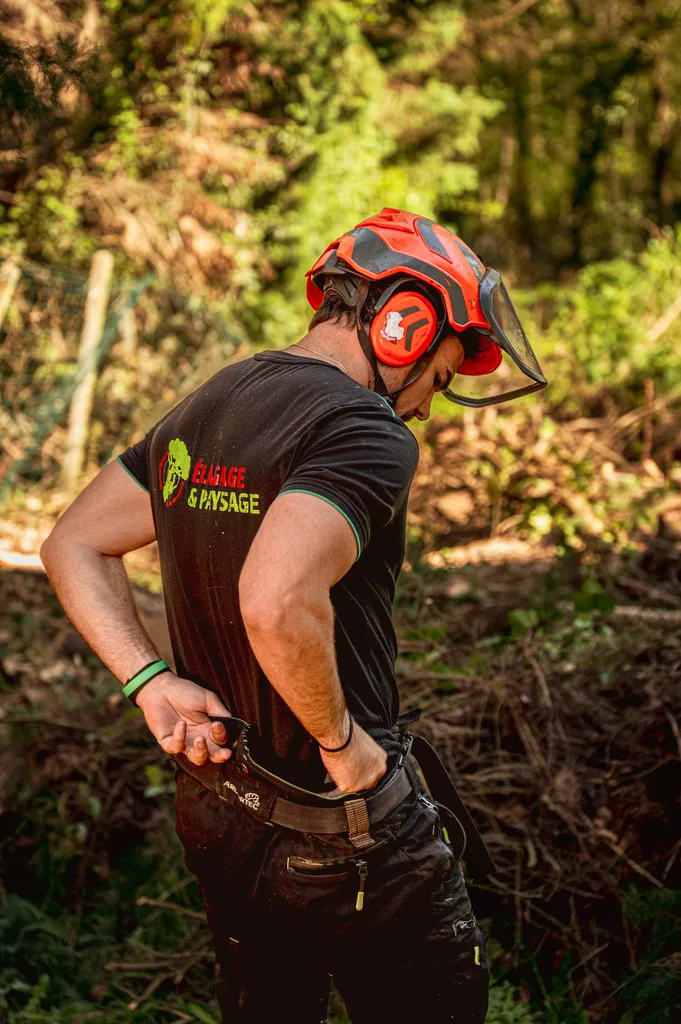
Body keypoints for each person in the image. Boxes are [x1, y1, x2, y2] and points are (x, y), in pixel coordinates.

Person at [41, 208, 546, 1023]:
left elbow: (74, 542)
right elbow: (275, 601)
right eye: (440, 377)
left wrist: (150, 682)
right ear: (405, 327)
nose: (426, 406)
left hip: (221, 812)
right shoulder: (363, 428)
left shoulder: (216, 401)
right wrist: (344, 749)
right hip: (342, 824)